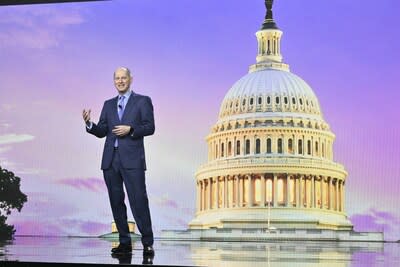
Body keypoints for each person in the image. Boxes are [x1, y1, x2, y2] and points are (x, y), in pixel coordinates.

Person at [82, 67, 155, 256]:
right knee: (116, 202)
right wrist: (89, 124)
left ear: (131, 79)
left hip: (132, 161)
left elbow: (150, 127)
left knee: (138, 201)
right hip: (110, 161)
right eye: (117, 78)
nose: (120, 81)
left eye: (124, 78)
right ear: (114, 81)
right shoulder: (108, 104)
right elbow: (102, 131)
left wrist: (130, 130)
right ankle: (124, 242)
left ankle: (148, 242)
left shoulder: (143, 101)